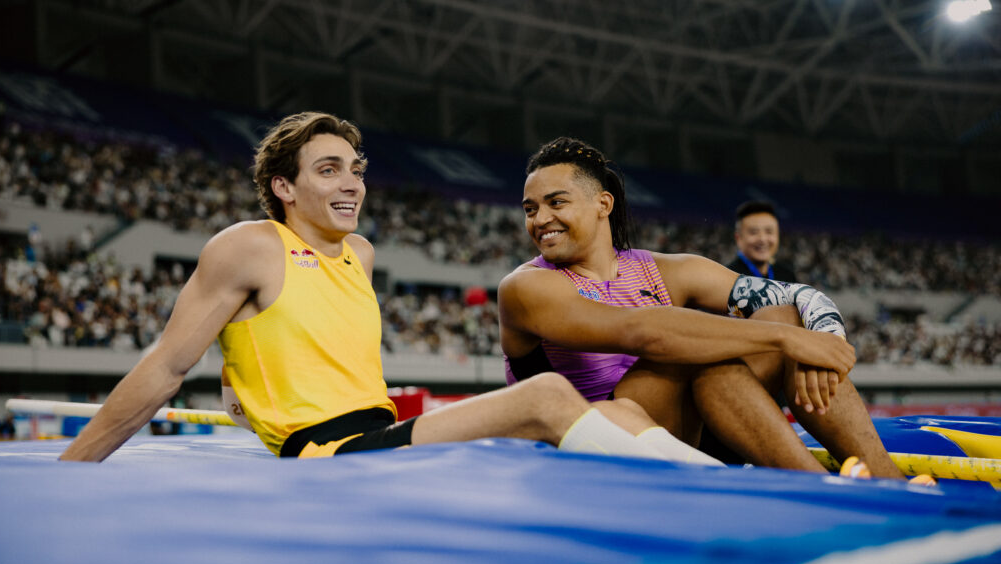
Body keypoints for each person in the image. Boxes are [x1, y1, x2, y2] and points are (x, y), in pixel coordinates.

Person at [59, 112, 713, 465]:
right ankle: (712, 500)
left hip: (384, 438)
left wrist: (241, 395)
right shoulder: (249, 244)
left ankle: (705, 484)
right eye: (328, 169)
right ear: (285, 187)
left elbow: (257, 355)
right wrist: (73, 469)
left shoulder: (360, 254)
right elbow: (168, 363)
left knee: (625, 413)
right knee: (546, 393)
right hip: (329, 455)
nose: (352, 183)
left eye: (356, 169)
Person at [497, 137, 904, 478]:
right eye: (530, 209)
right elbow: (647, 333)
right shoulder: (525, 286)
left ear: (603, 204)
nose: (540, 219)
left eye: (555, 202)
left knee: (778, 313)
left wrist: (825, 335)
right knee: (694, 349)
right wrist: (788, 339)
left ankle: (887, 480)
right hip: (593, 455)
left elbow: (796, 296)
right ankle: (816, 487)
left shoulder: (668, 269)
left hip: (688, 432)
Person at [726, 200, 797, 282]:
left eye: (769, 232)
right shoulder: (728, 277)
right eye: (754, 232)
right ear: (738, 238)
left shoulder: (787, 277)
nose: (762, 239)